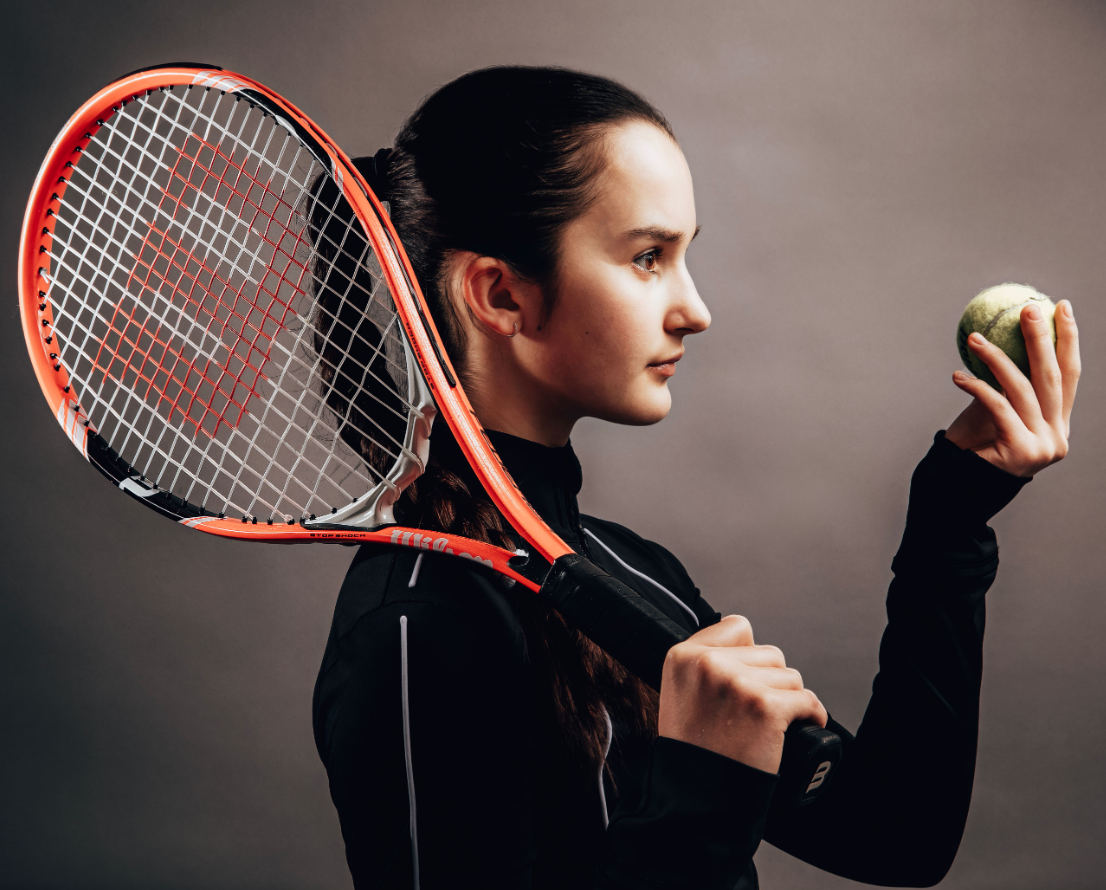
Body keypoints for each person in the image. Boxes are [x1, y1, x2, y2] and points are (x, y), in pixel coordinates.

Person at [310, 66, 1079, 889]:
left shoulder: (637, 580)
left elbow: (898, 836)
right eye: (648, 257)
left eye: (684, 256)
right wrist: (702, 789)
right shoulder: (415, 625)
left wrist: (951, 514)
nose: (695, 309)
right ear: (501, 295)